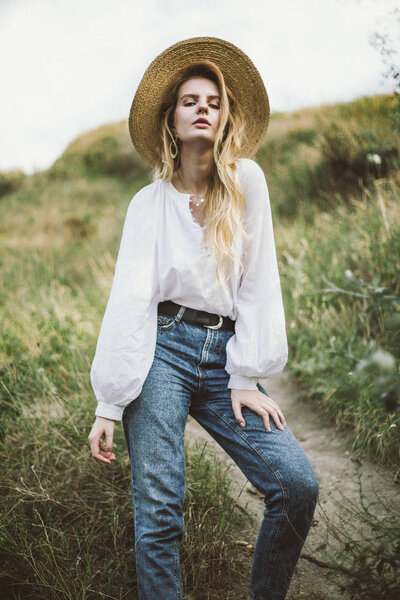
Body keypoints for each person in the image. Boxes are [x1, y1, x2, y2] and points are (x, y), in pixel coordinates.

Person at [87, 36, 319, 600]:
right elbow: (130, 300)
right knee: (160, 509)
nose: (203, 109)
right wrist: (109, 403)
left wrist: (245, 375)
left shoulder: (248, 185)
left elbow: (261, 281)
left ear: (225, 118)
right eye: (190, 100)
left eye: (214, 102)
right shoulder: (148, 204)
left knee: (297, 484)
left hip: (223, 356)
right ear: (171, 117)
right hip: (159, 353)